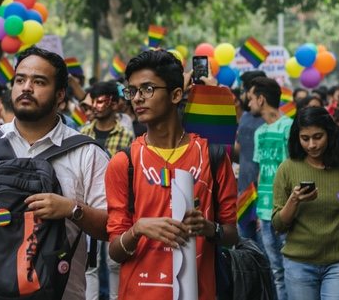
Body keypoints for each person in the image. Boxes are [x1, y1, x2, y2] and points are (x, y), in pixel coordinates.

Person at [0, 47, 110, 300]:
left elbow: (110, 228)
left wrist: (72, 209)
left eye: (39, 82)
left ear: (60, 95)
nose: (27, 87)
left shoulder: (86, 153)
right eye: (20, 80)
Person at [104, 50, 238, 299]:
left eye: (147, 89)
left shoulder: (213, 157)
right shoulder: (124, 163)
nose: (137, 99)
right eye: (132, 91)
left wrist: (209, 228)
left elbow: (231, 235)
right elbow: (115, 251)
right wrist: (138, 230)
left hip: (198, 292)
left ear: (176, 94)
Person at [272, 106, 339, 300]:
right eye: (305, 138)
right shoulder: (287, 169)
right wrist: (294, 201)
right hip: (298, 263)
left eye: (318, 136)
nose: (312, 145)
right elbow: (278, 224)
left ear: (330, 134)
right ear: (297, 138)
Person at [79, 81, 134, 300]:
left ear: (114, 103)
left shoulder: (127, 136)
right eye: (93, 101)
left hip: (118, 207)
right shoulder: (82, 135)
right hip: (88, 206)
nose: (95, 106)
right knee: (90, 264)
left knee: (115, 263)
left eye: (101, 101)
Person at [249, 76, 293, 300]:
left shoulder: (289, 127)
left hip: (285, 210)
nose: (248, 104)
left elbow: (295, 169)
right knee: (276, 269)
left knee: (290, 269)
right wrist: (258, 210)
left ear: (261, 99)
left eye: (251, 99)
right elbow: (260, 173)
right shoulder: (259, 133)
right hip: (265, 212)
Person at [234, 70, 266, 245]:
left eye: (244, 90)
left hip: (264, 195)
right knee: (246, 249)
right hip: (244, 192)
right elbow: (239, 151)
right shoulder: (245, 117)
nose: (242, 95)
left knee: (266, 251)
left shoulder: (273, 121)